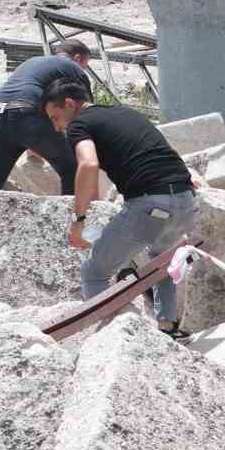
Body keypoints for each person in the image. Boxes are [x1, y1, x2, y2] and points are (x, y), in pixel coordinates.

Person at [41, 77, 197, 337]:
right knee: (161, 261)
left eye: (55, 117)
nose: (57, 128)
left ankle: (112, 341)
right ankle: (168, 328)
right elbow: (164, 150)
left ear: (69, 104)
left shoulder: (79, 124)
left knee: (94, 271)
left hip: (149, 203)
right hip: (186, 201)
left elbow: (88, 165)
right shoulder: (124, 111)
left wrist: (78, 220)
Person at [0, 39, 92, 195]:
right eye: (85, 65)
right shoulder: (74, 69)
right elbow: (85, 114)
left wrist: (34, 144)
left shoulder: (34, 62)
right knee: (71, 169)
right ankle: (69, 217)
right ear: (78, 58)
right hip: (27, 114)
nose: (84, 69)